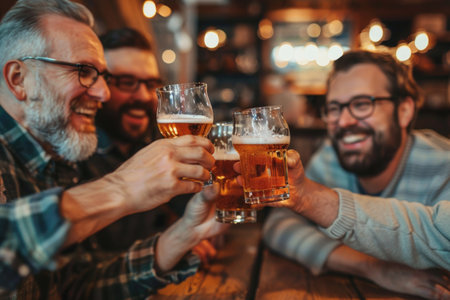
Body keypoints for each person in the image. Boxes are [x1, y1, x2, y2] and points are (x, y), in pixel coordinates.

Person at [0, 0, 227, 298]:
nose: (103, 93)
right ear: (19, 79)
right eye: (83, 71)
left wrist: (181, 236)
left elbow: (72, 287)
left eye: (102, 77)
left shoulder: (50, 164)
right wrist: (122, 187)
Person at [261, 50, 450, 299]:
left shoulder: (442, 166)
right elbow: (279, 225)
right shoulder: (332, 157)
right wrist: (372, 267)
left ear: (404, 111)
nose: (345, 121)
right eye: (334, 108)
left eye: (362, 104)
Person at [80, 27, 177, 252]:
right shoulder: (74, 148)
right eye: (126, 82)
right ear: (99, 84)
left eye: (151, 84)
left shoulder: (158, 139)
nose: (143, 96)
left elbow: (190, 209)